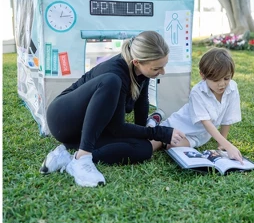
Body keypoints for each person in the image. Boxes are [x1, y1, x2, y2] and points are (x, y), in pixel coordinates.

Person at [39, 31, 186, 187]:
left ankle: (67, 157)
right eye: (157, 68)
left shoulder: (142, 71)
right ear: (137, 62)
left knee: (144, 148)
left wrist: (145, 134)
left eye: (163, 66)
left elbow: (141, 103)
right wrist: (160, 133)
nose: (162, 72)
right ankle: (83, 157)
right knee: (111, 80)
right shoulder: (115, 72)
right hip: (64, 119)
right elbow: (117, 128)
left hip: (89, 129)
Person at [149, 47, 244, 164]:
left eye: (226, 78)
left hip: (199, 136)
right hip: (178, 126)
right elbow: (206, 122)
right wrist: (228, 146)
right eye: (216, 80)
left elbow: (227, 118)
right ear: (203, 76)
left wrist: (222, 142)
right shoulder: (197, 92)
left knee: (173, 146)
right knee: (152, 144)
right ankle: (154, 123)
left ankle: (156, 124)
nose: (222, 84)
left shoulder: (232, 88)